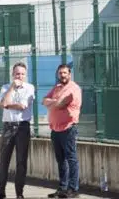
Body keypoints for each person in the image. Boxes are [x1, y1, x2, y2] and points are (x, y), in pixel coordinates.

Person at [0, 62, 35, 199]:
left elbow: (23, 106)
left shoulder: (29, 87)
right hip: (8, 126)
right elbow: (2, 103)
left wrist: (8, 105)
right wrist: (11, 88)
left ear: (25, 75)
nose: (19, 76)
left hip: (22, 126)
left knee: (21, 162)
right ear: (12, 74)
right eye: (17, 73)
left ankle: (19, 193)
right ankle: (0, 192)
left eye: (22, 74)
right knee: (3, 161)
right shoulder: (5, 87)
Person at [43, 64, 82, 199]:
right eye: (60, 73)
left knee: (71, 159)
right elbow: (44, 100)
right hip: (55, 129)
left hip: (68, 128)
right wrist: (56, 101)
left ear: (69, 74)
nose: (62, 75)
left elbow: (62, 104)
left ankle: (73, 189)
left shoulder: (74, 88)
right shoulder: (57, 88)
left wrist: (53, 103)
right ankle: (62, 188)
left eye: (65, 73)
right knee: (61, 160)